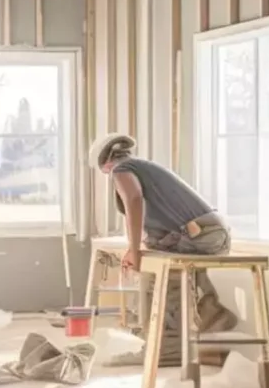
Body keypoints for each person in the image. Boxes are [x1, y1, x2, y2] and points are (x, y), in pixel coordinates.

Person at [90, 132, 239, 365]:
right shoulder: (145, 168)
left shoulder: (121, 169)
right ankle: (212, 315)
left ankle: (168, 347)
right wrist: (142, 247)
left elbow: (134, 200)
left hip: (201, 233)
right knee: (162, 258)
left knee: (158, 271)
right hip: (210, 232)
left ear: (106, 164)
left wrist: (134, 249)